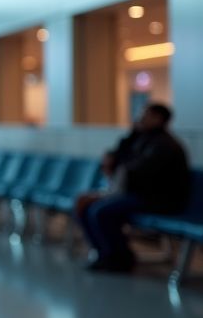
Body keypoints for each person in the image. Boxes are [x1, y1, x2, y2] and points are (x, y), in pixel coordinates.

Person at [77, 103, 190, 272]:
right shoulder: (143, 139)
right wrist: (133, 133)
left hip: (158, 199)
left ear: (159, 119)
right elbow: (121, 157)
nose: (140, 118)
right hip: (139, 194)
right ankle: (104, 253)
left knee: (101, 211)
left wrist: (109, 193)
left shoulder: (165, 144)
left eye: (146, 115)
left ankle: (119, 257)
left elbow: (140, 173)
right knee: (84, 204)